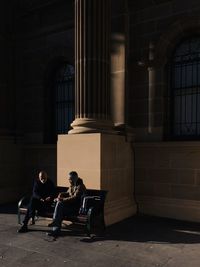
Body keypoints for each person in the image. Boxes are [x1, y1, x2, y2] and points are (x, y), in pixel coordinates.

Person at [47, 171, 86, 237]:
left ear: (75, 178)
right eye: (69, 178)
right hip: (70, 206)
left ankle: (55, 227)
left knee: (59, 206)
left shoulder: (80, 186)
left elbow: (75, 198)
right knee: (59, 209)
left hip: (75, 209)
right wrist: (61, 194)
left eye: (70, 178)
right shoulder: (73, 185)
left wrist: (62, 199)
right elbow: (68, 193)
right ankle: (55, 229)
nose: (69, 180)